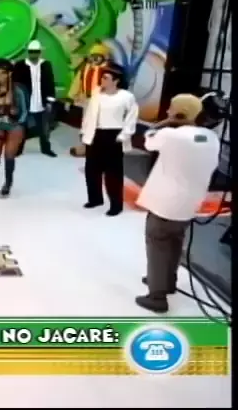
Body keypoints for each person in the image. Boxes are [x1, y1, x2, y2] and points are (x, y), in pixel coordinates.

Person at [135, 94, 220, 313]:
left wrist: (166, 122)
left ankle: (157, 296)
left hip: (165, 204)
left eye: (171, 108)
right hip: (189, 203)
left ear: (181, 112)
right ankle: (168, 281)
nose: (167, 111)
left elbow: (148, 140)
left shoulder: (170, 135)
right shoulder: (210, 138)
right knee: (175, 242)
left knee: (158, 246)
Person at [80, 62, 138, 216]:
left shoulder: (126, 97)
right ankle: (95, 198)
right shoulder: (97, 93)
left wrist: (124, 135)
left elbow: (131, 117)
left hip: (114, 135)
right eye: (102, 77)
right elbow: (89, 114)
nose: (102, 80)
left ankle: (116, 204)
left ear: (116, 80)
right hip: (95, 133)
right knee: (92, 169)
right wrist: (84, 132)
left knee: (113, 173)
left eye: (106, 78)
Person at [0, 59, 28, 198]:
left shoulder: (18, 90)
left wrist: (16, 121)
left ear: (9, 74)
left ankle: (8, 183)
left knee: (9, 154)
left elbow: (25, 112)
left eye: (2, 73)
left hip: (15, 124)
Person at [12, 40, 57, 157]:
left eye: (36, 51)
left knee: (44, 128)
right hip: (25, 102)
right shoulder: (20, 65)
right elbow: (15, 85)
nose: (34, 54)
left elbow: (50, 82)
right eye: (31, 51)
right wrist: (15, 102)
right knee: (22, 127)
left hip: (41, 102)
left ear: (40, 52)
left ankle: (46, 149)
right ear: (28, 52)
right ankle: (18, 149)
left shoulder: (46, 64)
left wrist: (50, 100)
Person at [67, 43, 111, 157]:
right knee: (86, 125)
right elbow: (78, 82)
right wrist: (72, 96)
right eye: (92, 56)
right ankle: (85, 147)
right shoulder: (85, 69)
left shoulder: (107, 71)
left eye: (97, 57)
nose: (94, 59)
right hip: (87, 101)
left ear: (104, 57)